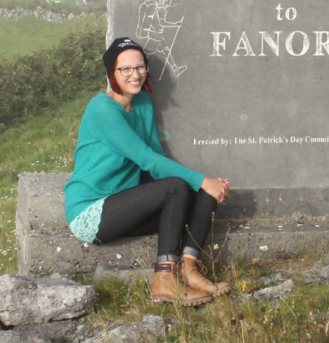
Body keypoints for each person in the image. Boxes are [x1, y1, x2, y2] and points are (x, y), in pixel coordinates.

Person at [64, 36, 231, 306]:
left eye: (140, 67)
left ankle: (189, 270)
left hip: (124, 202)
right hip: (91, 211)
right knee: (181, 185)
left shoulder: (142, 103)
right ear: (112, 73)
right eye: (125, 69)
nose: (135, 74)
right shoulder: (102, 110)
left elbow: (156, 158)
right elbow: (146, 159)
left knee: (201, 195)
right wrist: (201, 180)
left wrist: (203, 188)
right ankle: (163, 280)